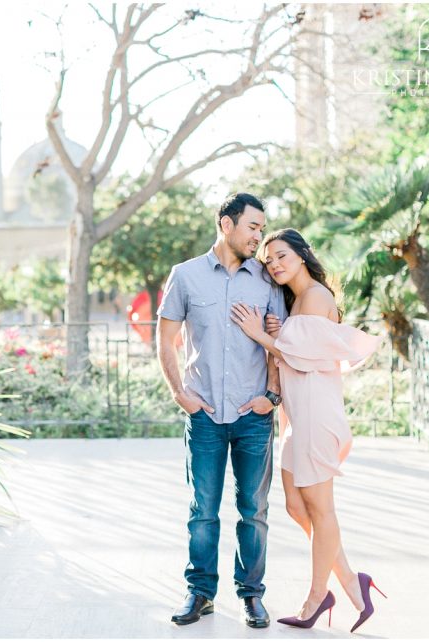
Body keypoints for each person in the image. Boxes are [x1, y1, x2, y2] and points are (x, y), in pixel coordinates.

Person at [229, 228, 386, 633]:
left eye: (281, 255)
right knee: (298, 508)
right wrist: (273, 335)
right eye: (269, 260)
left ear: (301, 255)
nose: (275, 264)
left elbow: (303, 354)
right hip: (298, 419)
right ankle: (352, 581)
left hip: (317, 415)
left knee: (322, 509)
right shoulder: (296, 301)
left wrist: (260, 335)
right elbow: (292, 351)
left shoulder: (317, 296)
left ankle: (317, 597)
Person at [156, 193, 287, 628]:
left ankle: (251, 595)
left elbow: (280, 346)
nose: (259, 237)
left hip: (254, 415)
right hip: (205, 413)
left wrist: (271, 396)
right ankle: (200, 593)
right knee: (203, 510)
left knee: (254, 510)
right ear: (226, 224)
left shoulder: (268, 281)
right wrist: (180, 394)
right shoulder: (186, 276)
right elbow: (165, 339)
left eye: (262, 229)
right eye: (253, 227)